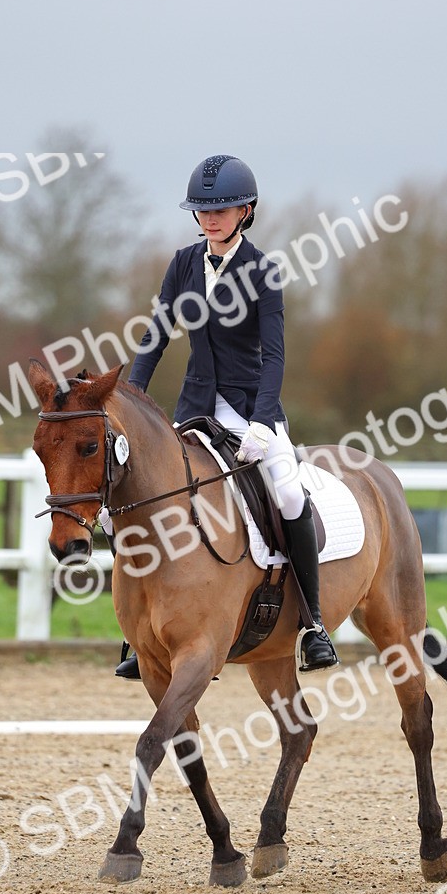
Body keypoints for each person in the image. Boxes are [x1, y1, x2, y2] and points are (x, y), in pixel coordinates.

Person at [115, 154, 338, 679]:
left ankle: (314, 623)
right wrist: (127, 401)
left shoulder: (263, 270)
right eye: (202, 211)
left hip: (250, 409)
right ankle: (136, 635)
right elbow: (155, 337)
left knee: (286, 491)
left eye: (222, 210)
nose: (210, 219)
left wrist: (263, 421)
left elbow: (275, 354)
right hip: (194, 407)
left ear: (246, 211)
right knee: (140, 493)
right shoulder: (183, 264)